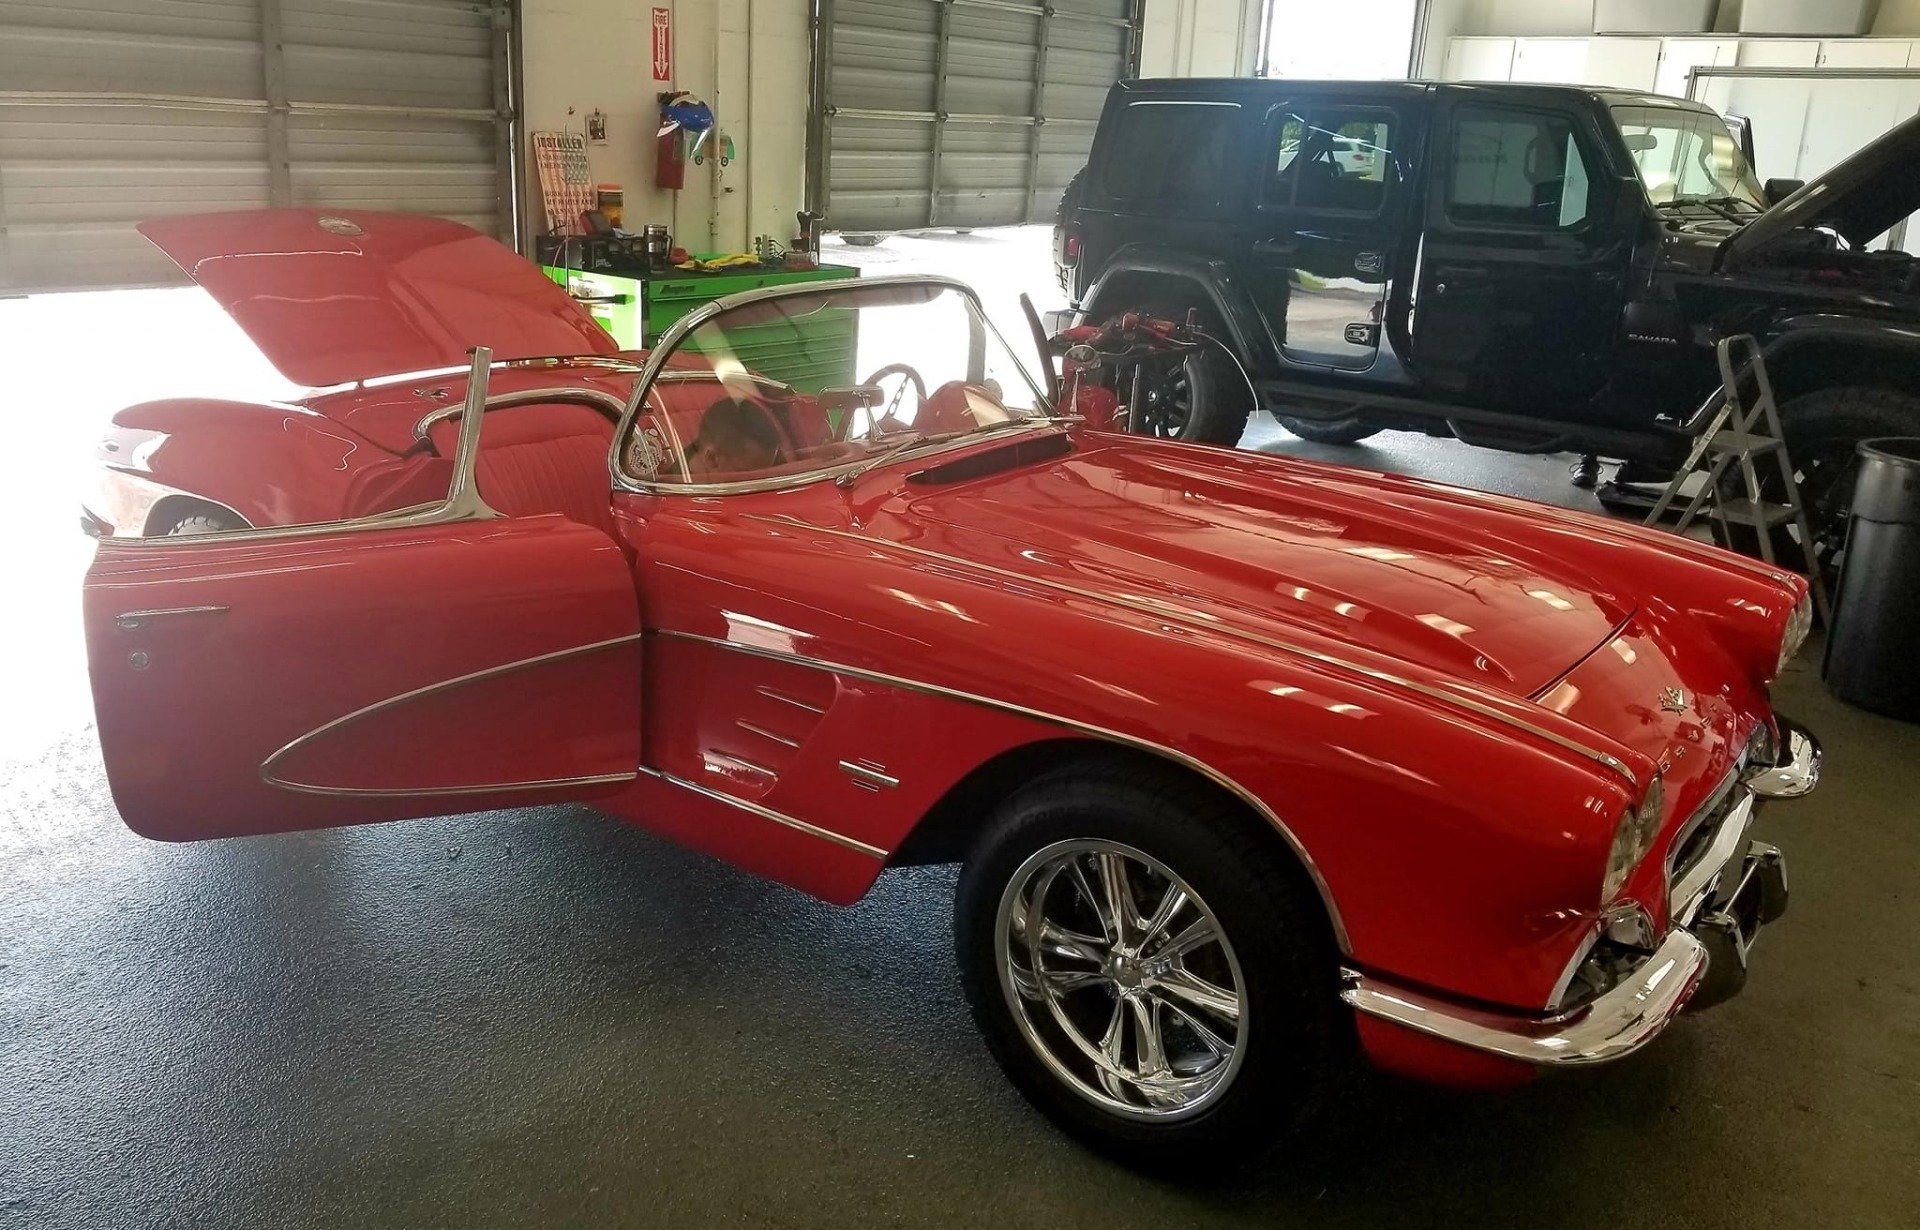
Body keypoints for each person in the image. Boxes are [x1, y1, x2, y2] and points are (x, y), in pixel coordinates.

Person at [682, 398, 786, 477]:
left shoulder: (774, 461)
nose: (763, 485)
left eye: (768, 473)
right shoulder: (675, 491)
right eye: (749, 477)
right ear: (711, 459)